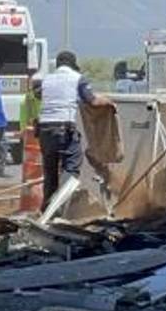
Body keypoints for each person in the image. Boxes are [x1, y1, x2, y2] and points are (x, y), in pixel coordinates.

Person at [33, 50, 111, 204]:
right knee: (71, 167)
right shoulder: (77, 79)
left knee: (50, 171)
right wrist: (108, 102)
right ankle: (59, 207)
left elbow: (38, 94)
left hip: (44, 130)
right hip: (63, 129)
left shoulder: (46, 80)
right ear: (72, 65)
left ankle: (47, 209)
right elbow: (93, 101)